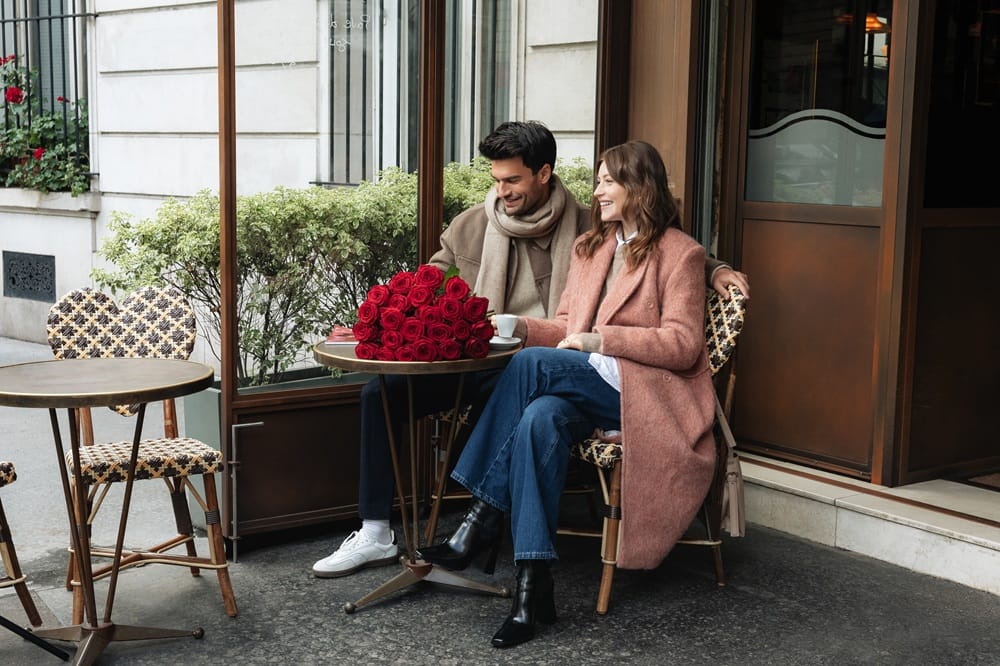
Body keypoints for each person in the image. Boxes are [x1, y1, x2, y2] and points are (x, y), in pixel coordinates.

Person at [312, 122, 746, 578]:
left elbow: (663, 249)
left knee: (529, 375)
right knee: (379, 395)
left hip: (546, 364)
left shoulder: (584, 224)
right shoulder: (473, 225)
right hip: (491, 357)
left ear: (543, 173)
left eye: (513, 180)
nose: (502, 191)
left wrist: (714, 270)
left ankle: (480, 519)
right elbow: (430, 286)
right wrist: (385, 322)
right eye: (496, 180)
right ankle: (378, 533)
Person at [417, 140, 719, 648]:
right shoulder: (593, 248)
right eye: (598, 180)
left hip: (642, 391)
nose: (596, 190)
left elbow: (685, 346)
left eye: (606, 181)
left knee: (531, 366)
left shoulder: (680, 254)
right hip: (586, 380)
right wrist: (514, 325)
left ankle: (479, 515)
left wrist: (604, 340)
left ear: (637, 187)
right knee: (539, 418)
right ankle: (533, 589)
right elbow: (564, 326)